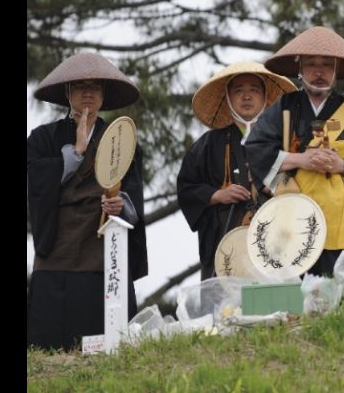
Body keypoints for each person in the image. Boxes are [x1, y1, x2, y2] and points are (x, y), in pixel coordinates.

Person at [245, 26, 344, 276]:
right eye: (311, 64)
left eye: (326, 65)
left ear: (336, 71)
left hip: (342, 219)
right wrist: (301, 159)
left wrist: (343, 165)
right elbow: (256, 148)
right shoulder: (285, 106)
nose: (319, 72)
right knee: (296, 288)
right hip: (293, 214)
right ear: (299, 68)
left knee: (341, 288)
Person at [27, 52, 147, 350]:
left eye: (94, 87)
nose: (87, 93)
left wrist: (122, 204)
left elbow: (132, 191)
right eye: (80, 86)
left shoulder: (119, 137)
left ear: (103, 95)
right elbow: (34, 182)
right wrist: (75, 152)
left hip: (103, 244)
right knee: (50, 344)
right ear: (68, 93)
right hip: (58, 242)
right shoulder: (43, 138)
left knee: (107, 339)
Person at [176, 62, 297, 280]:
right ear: (228, 99)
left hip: (276, 235)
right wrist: (217, 195)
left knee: (276, 306)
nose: (246, 96)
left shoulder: (284, 139)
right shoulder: (208, 144)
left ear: (265, 98)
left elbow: (302, 187)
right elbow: (186, 187)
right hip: (225, 237)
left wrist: (272, 183)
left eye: (254, 90)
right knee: (225, 307)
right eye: (238, 91)